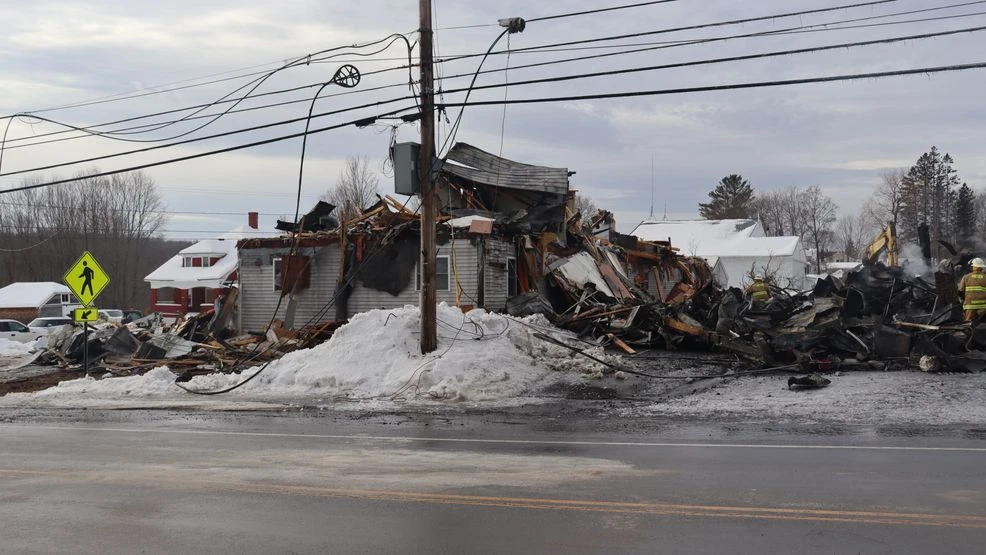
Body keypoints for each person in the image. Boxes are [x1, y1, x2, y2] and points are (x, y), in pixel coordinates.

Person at [959, 257, 986, 321]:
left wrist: (962, 303)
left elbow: (960, 291)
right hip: (983, 307)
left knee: (968, 325)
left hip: (970, 306)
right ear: (982, 267)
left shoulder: (966, 277)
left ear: (973, 267)